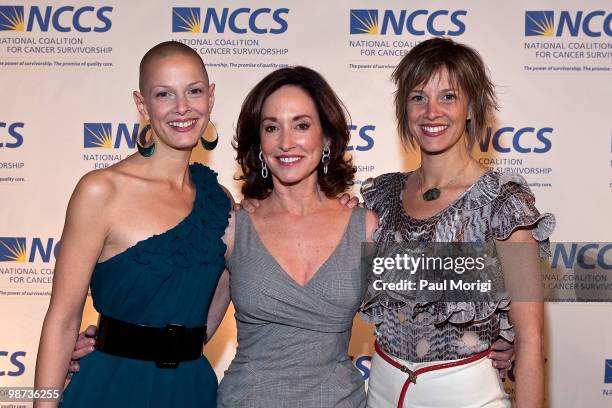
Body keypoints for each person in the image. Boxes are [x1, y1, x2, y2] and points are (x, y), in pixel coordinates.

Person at [34, 41, 232, 408]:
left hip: (190, 390)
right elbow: (62, 320)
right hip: (110, 388)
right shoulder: (101, 190)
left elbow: (220, 294)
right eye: (164, 94)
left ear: (211, 96)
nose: (182, 107)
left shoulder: (220, 202)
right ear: (142, 104)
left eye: (194, 91)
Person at [360, 37, 554, 407]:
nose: (431, 111)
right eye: (418, 97)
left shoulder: (502, 203)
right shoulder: (382, 198)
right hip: (382, 394)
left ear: (470, 107)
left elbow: (530, 341)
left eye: (448, 96)